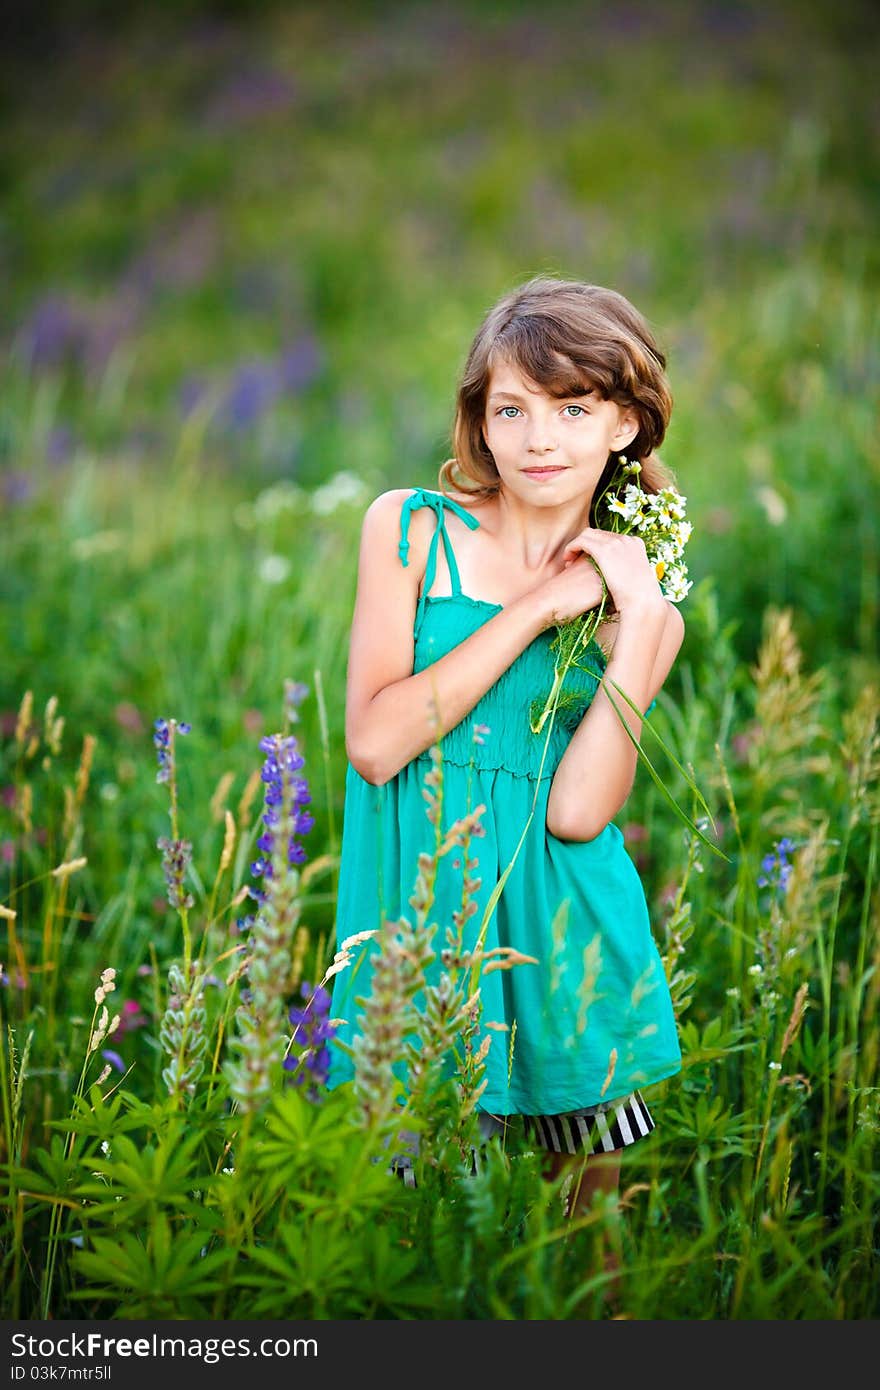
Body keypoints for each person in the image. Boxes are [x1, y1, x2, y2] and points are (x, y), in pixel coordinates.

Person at [326, 274, 685, 1247]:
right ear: (478, 423)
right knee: (413, 1239)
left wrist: (646, 625)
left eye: (573, 409)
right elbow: (375, 742)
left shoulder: (638, 608)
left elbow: (578, 814)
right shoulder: (409, 530)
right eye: (511, 408)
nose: (538, 439)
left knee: (587, 1254)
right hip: (418, 934)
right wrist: (534, 607)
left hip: (570, 947)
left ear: (623, 425)